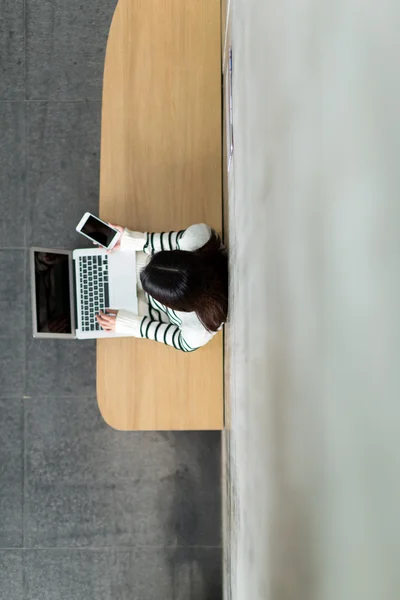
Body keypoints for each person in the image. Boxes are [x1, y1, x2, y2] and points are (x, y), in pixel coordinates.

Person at [96, 223, 228, 352]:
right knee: (121, 260)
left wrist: (130, 325)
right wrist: (129, 239)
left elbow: (180, 341)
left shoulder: (197, 331)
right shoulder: (198, 237)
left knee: (118, 310)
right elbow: (157, 242)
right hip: (163, 280)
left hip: (154, 310)